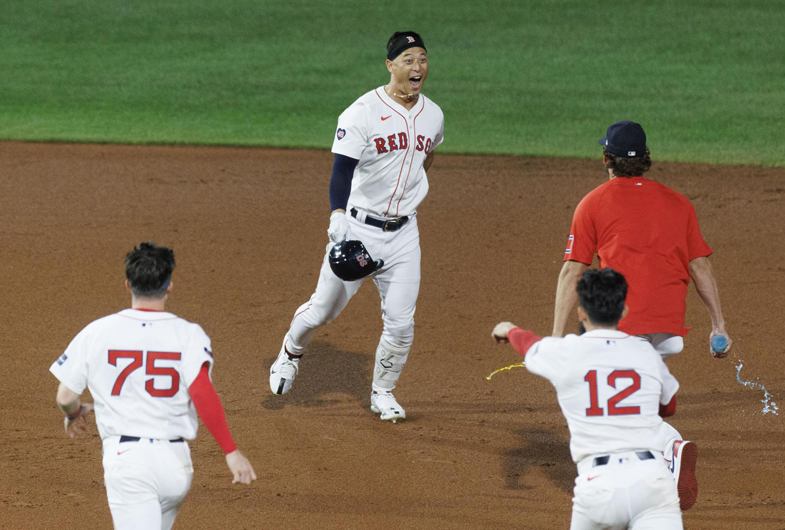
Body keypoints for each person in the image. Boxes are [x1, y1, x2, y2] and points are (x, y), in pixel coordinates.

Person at [268, 31, 444, 422]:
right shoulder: (361, 112)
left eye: (423, 59)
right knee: (322, 312)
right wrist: (337, 216)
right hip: (358, 232)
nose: (417, 67)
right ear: (391, 65)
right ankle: (289, 354)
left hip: (403, 235)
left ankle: (383, 391)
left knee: (401, 323)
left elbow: (425, 157)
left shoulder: (434, 115)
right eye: (409, 59)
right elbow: (341, 170)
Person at [50, 242, 256, 530]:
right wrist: (231, 451)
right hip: (176, 466)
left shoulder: (98, 331)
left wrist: (73, 414)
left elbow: (66, 395)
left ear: (127, 284)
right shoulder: (189, 334)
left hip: (129, 466)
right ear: (169, 285)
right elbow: (201, 392)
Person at [493, 269, 696, 528]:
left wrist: (509, 330)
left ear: (581, 313)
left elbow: (530, 344)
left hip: (600, 487)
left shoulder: (566, 352)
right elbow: (668, 406)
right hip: (651, 482)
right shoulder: (646, 354)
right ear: (623, 311)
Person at [552, 120, 731, 360]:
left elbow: (573, 271)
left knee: (597, 365)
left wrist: (555, 338)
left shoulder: (592, 204)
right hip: (670, 331)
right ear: (645, 160)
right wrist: (719, 326)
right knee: (648, 377)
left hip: (622, 328)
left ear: (606, 159)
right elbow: (700, 267)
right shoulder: (680, 203)